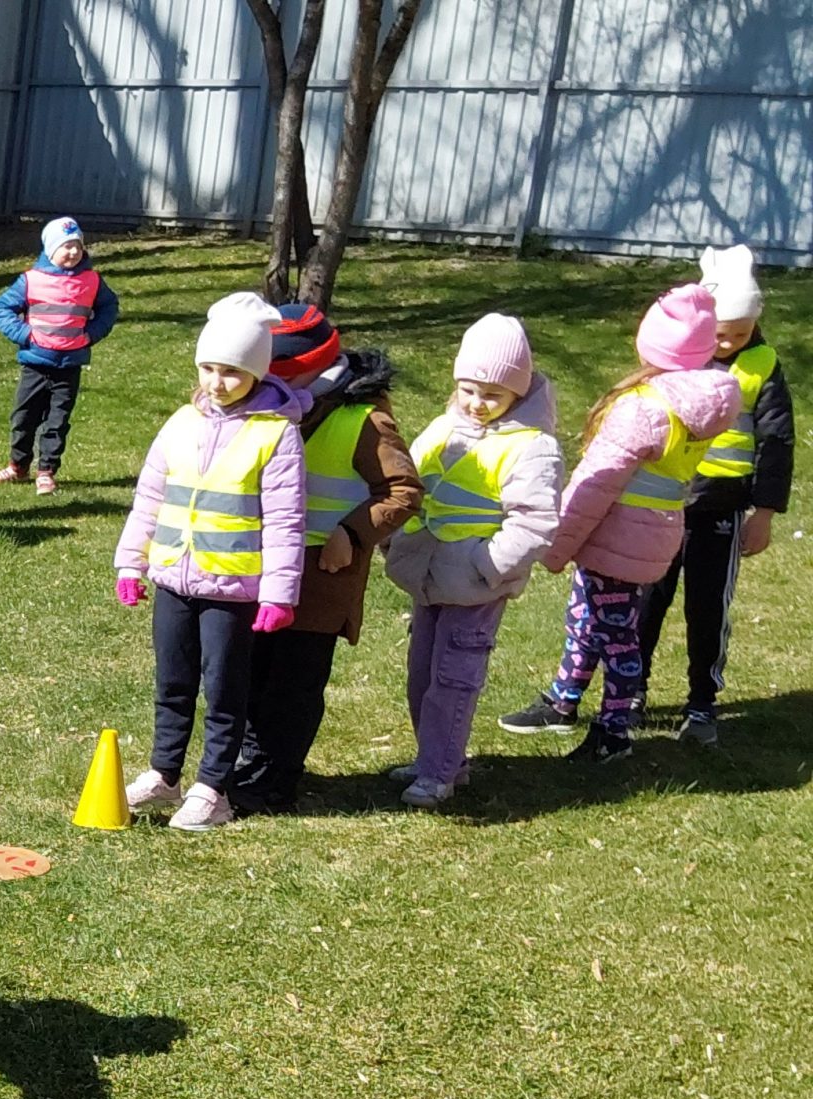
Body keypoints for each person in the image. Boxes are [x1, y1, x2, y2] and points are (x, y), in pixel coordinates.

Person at [498, 283, 740, 762]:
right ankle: (564, 698)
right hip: (655, 533)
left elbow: (596, 485)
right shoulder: (702, 402)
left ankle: (613, 731)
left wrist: (556, 544)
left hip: (616, 538)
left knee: (616, 636)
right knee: (587, 618)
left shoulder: (643, 408)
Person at [115, 294, 303, 832]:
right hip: (174, 577)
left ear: (257, 372)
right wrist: (131, 562)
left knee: (223, 689)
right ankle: (164, 773)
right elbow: (150, 498)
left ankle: (212, 788)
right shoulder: (180, 422)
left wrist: (278, 594)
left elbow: (286, 519)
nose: (218, 382)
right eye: (210, 368)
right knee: (172, 682)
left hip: (232, 589)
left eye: (233, 372)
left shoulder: (276, 433)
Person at [232, 302, 421, 811]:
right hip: (259, 570)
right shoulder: (266, 405)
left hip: (321, 578)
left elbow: (403, 491)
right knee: (249, 674)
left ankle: (272, 783)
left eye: (280, 373)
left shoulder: (364, 419)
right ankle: (247, 766)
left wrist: (352, 532)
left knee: (292, 684)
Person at [381, 315, 564, 806]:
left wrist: (488, 566)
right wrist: (397, 540)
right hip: (428, 575)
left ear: (517, 393)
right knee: (422, 674)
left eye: (492, 394)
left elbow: (535, 523)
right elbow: (411, 485)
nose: (477, 403)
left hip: (474, 584)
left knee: (453, 679)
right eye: (468, 390)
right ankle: (438, 758)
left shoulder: (533, 447)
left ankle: (438, 772)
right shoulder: (443, 428)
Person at [633, 245, 794, 744]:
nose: (728, 343)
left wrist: (764, 511)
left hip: (722, 508)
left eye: (740, 334)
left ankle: (702, 701)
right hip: (665, 502)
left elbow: (777, 439)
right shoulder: (681, 357)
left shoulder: (763, 365)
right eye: (721, 333)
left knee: (708, 608)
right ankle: (631, 688)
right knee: (646, 600)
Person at [0, 216, 119, 494]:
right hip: (36, 363)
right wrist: (25, 335)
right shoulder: (31, 280)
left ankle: (46, 470)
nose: (73, 252)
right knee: (23, 418)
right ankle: (18, 465)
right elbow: (2, 309)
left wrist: (92, 333)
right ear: (50, 250)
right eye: (66, 246)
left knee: (57, 420)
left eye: (77, 246)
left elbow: (109, 307)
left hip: (69, 365)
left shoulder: (92, 281)